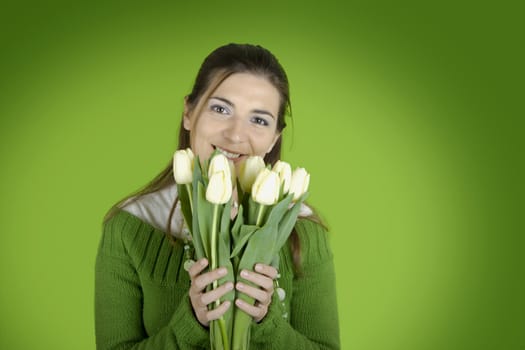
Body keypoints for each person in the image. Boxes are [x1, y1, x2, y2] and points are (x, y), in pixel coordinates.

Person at [95, 43, 340, 349]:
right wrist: (192, 323)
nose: (236, 134)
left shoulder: (303, 230)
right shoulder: (130, 226)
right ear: (188, 112)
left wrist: (267, 323)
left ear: (275, 137)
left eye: (259, 120)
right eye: (221, 109)